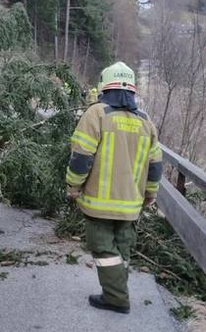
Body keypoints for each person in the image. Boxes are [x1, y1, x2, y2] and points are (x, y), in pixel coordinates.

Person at [66, 61, 163, 314]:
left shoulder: (97, 114)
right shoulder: (146, 122)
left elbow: (81, 157)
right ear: (132, 90)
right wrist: (151, 194)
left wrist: (73, 186)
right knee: (122, 248)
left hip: (99, 202)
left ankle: (116, 298)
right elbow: (155, 166)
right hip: (131, 204)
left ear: (103, 87)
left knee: (104, 249)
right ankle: (116, 291)